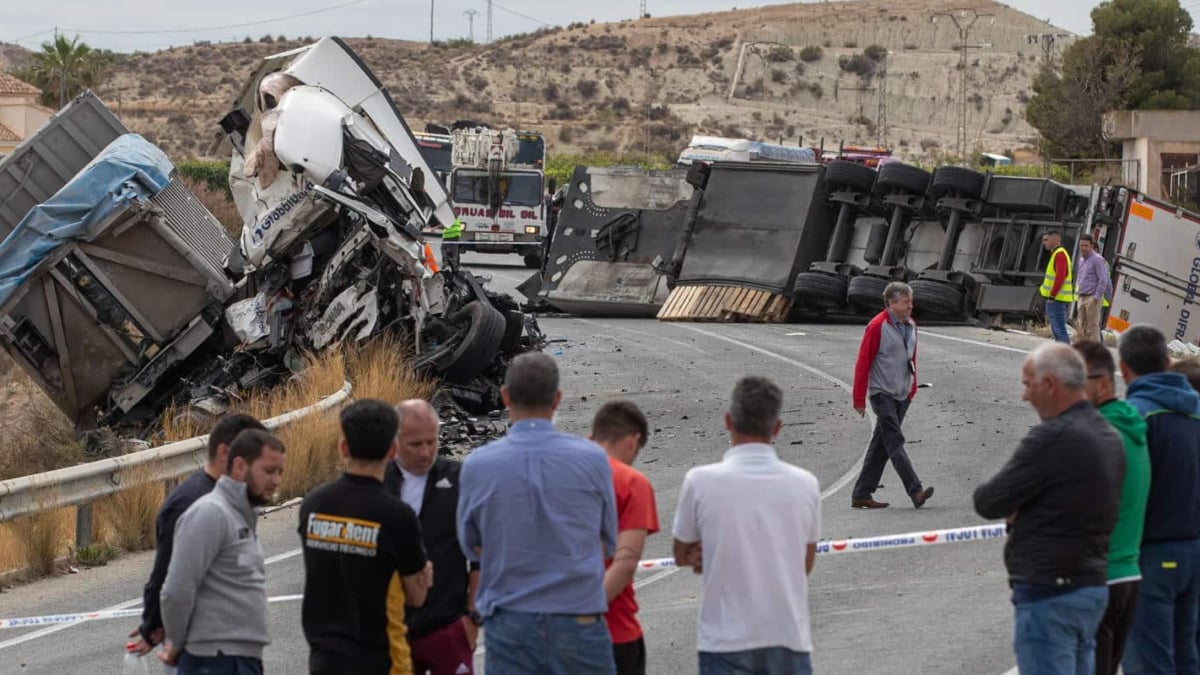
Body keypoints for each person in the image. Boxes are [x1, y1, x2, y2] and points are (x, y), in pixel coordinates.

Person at [457, 352, 619, 674]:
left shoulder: (478, 465)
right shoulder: (593, 460)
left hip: (511, 624)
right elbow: (608, 540)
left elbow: (470, 544)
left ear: (505, 397)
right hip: (578, 620)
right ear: (557, 399)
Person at [973, 343, 1125, 675]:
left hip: (1048, 593)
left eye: (1028, 385)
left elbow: (988, 500)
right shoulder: (1110, 436)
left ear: (1050, 385)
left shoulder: (1051, 438)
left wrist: (1021, 509)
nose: (1024, 396)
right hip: (1092, 585)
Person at [672, 376, 821, 675]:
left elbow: (680, 553)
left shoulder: (700, 482)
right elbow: (803, 564)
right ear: (777, 428)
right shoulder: (805, 485)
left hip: (724, 641)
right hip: (787, 637)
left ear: (728, 421)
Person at [300, 399, 433, 675]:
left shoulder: (313, 506)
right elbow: (416, 597)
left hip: (324, 659)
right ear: (393, 450)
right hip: (380, 659)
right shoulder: (396, 516)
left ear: (344, 447)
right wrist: (425, 574)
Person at [128, 414, 266, 655]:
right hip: (201, 649)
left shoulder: (236, 500)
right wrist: (153, 624)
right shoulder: (191, 504)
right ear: (225, 453)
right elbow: (168, 576)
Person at [160, 429, 287, 675]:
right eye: (269, 471)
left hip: (240, 658)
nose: (277, 481)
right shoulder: (210, 513)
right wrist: (176, 641)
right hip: (213, 660)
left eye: (280, 472)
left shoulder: (240, 514)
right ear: (239, 466)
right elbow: (176, 590)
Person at [1116, 325, 1200, 675]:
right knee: (1187, 658)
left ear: (1123, 368)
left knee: (1149, 661)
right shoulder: (1195, 410)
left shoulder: (1134, 418)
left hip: (1150, 556)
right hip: (1194, 553)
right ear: (1167, 361)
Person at [382, 399, 479, 675]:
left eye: (431, 442)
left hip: (447, 626)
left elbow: (481, 554)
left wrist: (472, 618)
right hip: (392, 631)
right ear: (395, 441)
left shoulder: (460, 479)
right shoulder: (377, 483)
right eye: (415, 445)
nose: (425, 452)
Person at [1073, 340, 1151, 675]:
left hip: (1097, 582)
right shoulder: (1132, 427)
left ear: (1103, 383)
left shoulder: (1097, 435)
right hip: (1127, 577)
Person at [849, 281, 934, 509]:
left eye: (911, 301)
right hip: (882, 393)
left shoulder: (911, 325)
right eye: (906, 302)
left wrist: (912, 388)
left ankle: (861, 493)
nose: (910, 306)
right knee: (894, 441)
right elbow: (863, 363)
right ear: (891, 303)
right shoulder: (877, 326)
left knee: (881, 445)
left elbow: (911, 358)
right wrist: (858, 398)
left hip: (902, 393)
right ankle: (915, 491)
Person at [590, 400, 658, 675]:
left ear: (593, 437)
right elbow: (626, 561)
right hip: (614, 630)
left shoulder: (556, 473)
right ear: (633, 441)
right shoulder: (631, 482)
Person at [1073, 234, 1112, 344]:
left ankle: (1096, 353)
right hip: (1082, 296)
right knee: (1082, 327)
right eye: (1081, 245)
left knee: (1092, 328)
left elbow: (1103, 279)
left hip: (1092, 297)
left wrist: (1097, 297)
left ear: (1091, 246)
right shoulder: (1081, 260)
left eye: (1086, 245)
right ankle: (1084, 351)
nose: (1083, 248)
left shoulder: (1097, 259)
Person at [1040, 230, 1075, 344]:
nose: (1044, 243)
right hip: (1056, 299)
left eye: (1046, 240)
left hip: (1056, 299)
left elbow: (1060, 277)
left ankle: (1065, 355)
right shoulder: (1057, 253)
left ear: (1054, 240)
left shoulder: (1059, 254)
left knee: (1059, 330)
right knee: (1057, 330)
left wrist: (1052, 295)